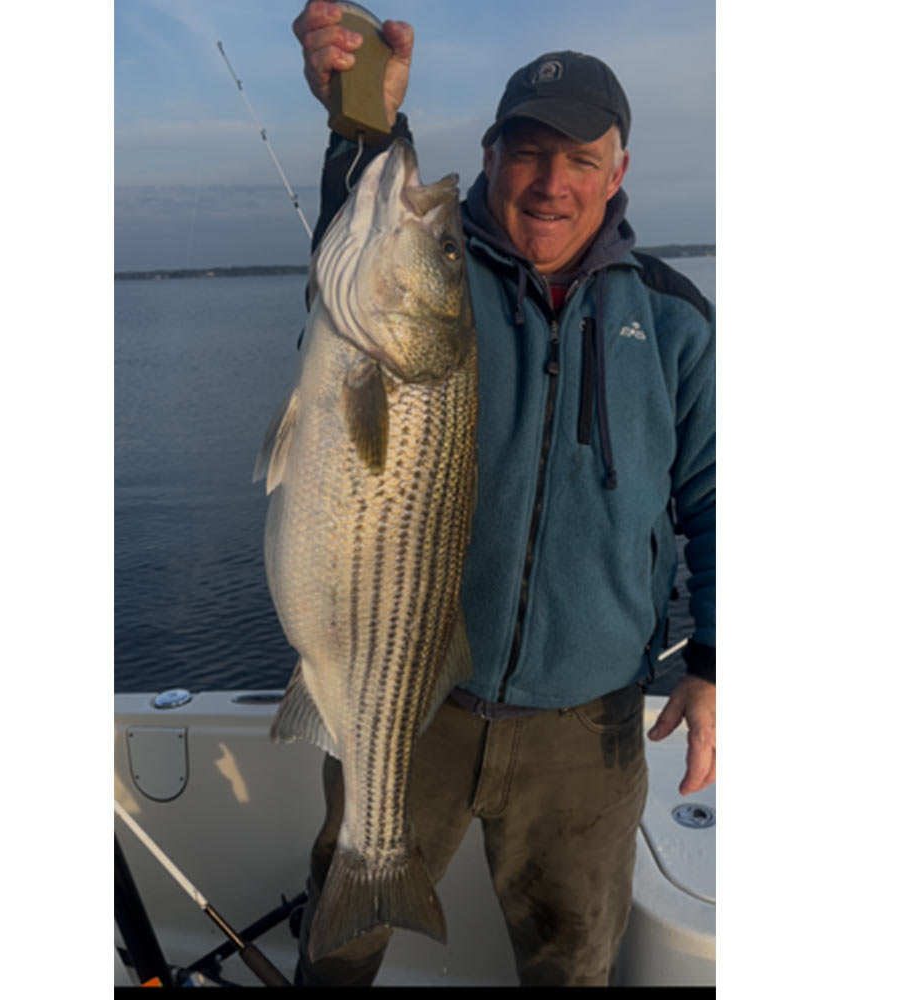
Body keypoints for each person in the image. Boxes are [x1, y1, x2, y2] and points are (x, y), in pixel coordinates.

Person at [289, 2, 716, 987]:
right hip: (406, 698)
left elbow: (719, 499)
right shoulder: (426, 275)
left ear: (617, 174)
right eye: (527, 151)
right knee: (337, 949)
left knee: (571, 964)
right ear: (488, 156)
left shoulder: (674, 318)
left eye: (579, 158)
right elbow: (365, 250)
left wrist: (713, 660)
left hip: (586, 728)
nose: (551, 182)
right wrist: (362, 121)